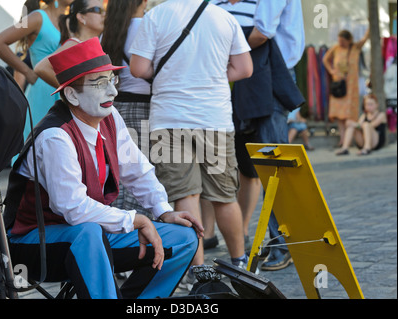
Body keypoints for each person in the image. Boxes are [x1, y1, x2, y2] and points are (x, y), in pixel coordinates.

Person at [4, 37, 203, 299]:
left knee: (184, 238)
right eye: (100, 83)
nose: (113, 92)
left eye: (113, 80)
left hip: (88, 236)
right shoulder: (55, 137)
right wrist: (134, 219)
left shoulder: (110, 116)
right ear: (72, 94)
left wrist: (163, 211)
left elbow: (138, 169)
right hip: (33, 245)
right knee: (88, 232)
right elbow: (73, 208)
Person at [129, 0, 253, 289]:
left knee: (186, 196)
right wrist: (212, 77)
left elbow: (137, 68)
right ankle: (240, 264)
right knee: (224, 196)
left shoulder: (155, 16)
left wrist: (170, 76)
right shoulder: (224, 17)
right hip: (215, 121)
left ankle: (199, 273)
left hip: (169, 120)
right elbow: (245, 68)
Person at [245, 0, 306, 271]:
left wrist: (225, 46)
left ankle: (284, 243)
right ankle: (283, 241)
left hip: (271, 72)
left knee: (273, 163)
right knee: (271, 162)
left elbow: (262, 31)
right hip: (267, 71)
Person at [203, 0, 261, 252]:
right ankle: (207, 231)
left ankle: (244, 228)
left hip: (250, 91)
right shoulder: (211, 6)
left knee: (248, 167)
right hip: (213, 96)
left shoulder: (258, 5)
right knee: (206, 165)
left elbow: (266, 35)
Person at [0, 0, 74, 141]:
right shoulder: (37, 17)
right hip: (42, 91)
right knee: (37, 145)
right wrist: (27, 71)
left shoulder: (71, 20)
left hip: (65, 90)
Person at [100, 0, 152, 218]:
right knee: (140, 173)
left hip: (116, 107)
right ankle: (138, 229)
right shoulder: (149, 26)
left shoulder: (108, 32)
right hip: (145, 108)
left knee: (119, 171)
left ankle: (117, 223)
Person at [34, 0, 106, 89]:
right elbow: (41, 68)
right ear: (81, 17)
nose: (104, 15)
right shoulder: (75, 44)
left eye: (104, 11)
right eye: (97, 10)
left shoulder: (87, 44)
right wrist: (76, 93)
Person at [323, 28, 370, 147]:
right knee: (339, 114)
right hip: (338, 85)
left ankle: (351, 139)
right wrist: (332, 71)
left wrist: (370, 25)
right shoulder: (335, 48)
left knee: (348, 114)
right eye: (339, 40)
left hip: (351, 87)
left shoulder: (355, 48)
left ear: (349, 40)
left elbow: (365, 38)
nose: (341, 43)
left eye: (343, 41)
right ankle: (343, 139)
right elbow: (325, 60)